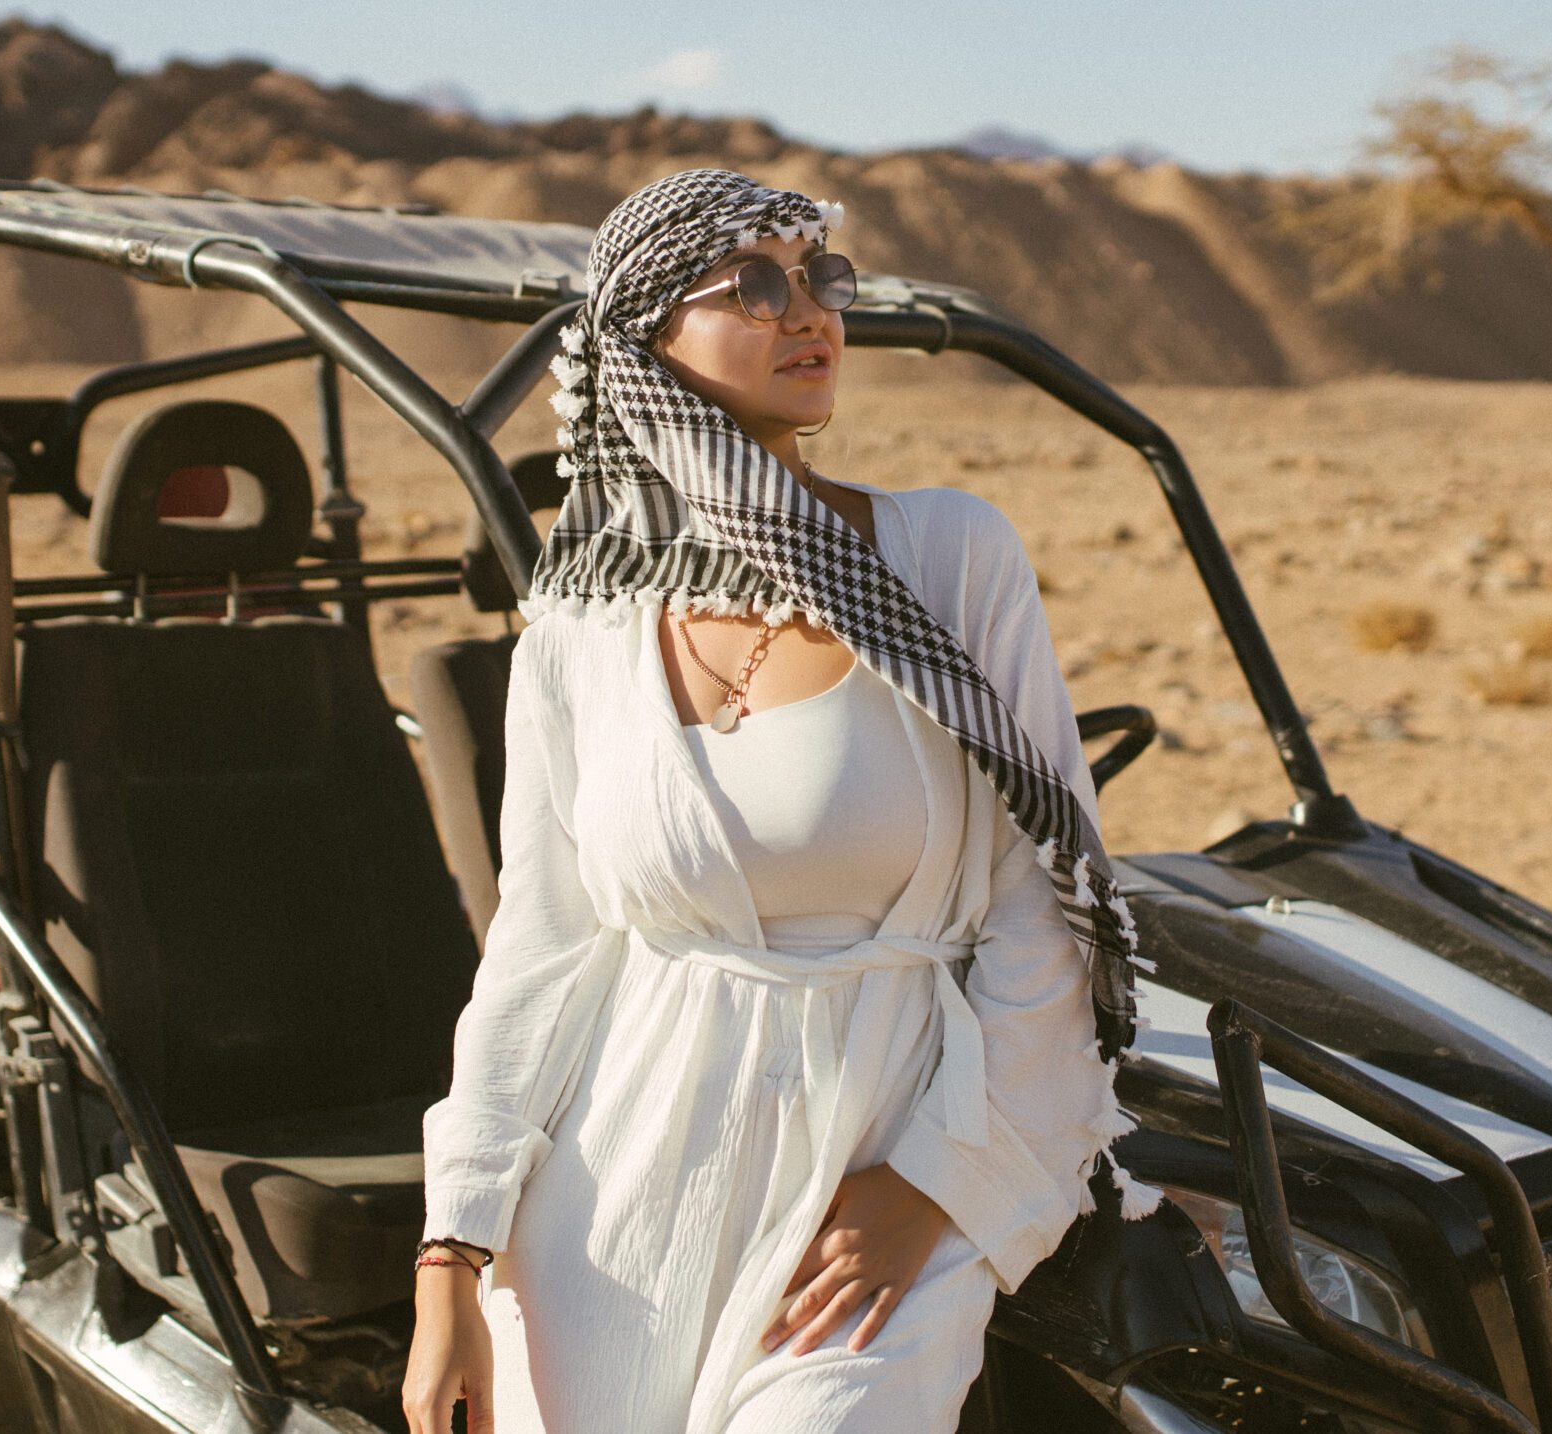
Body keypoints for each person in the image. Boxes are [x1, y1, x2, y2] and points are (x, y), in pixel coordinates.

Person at [403, 168, 1162, 1434]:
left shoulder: (945, 557)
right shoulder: (578, 634)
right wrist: (450, 1263)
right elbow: (541, 953)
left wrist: (937, 1184)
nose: (808, 310)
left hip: (885, 1151)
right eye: (753, 284)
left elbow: (1046, 901)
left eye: (823, 279)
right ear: (645, 338)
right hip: (620, 1181)